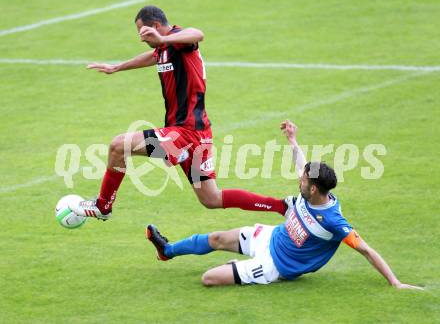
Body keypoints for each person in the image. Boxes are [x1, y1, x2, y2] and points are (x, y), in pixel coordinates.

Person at [146, 120, 423, 289]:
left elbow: (366, 250)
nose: (298, 180)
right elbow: (301, 163)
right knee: (217, 238)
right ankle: (167, 250)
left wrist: (395, 283)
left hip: (274, 265)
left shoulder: (334, 223)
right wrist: (292, 139)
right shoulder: (310, 194)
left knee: (208, 279)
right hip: (269, 236)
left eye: (302, 180)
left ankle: (246, 268)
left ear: (313, 188)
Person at [69, 5, 288, 220]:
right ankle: (282, 206)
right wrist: (117, 67)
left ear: (155, 26)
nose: (142, 39)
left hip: (186, 131)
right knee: (211, 198)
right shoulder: (164, 49)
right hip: (196, 131)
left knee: (119, 145)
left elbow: (198, 34)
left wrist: (163, 39)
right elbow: (154, 56)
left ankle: (103, 206)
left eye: (143, 33)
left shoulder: (179, 40)